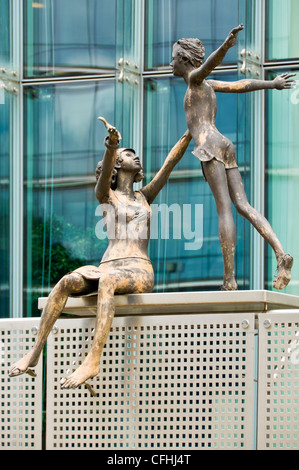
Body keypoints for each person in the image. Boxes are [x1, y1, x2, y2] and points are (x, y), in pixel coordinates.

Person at [9, 117, 191, 389]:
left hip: (139, 269)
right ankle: (35, 352)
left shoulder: (145, 196)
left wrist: (192, 129)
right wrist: (112, 146)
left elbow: (169, 164)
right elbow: (105, 177)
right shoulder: (106, 195)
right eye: (129, 154)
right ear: (118, 163)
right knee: (67, 281)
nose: (137, 156)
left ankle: (93, 360)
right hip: (108, 265)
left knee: (107, 282)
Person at [171, 25, 296, 291]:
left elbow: (208, 67)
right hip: (225, 144)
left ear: (184, 60)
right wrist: (271, 84)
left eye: (174, 57)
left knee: (225, 209)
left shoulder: (195, 80)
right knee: (244, 206)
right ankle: (280, 253)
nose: (170, 62)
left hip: (210, 147)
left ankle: (229, 280)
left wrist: (226, 46)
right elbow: (240, 85)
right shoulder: (205, 86)